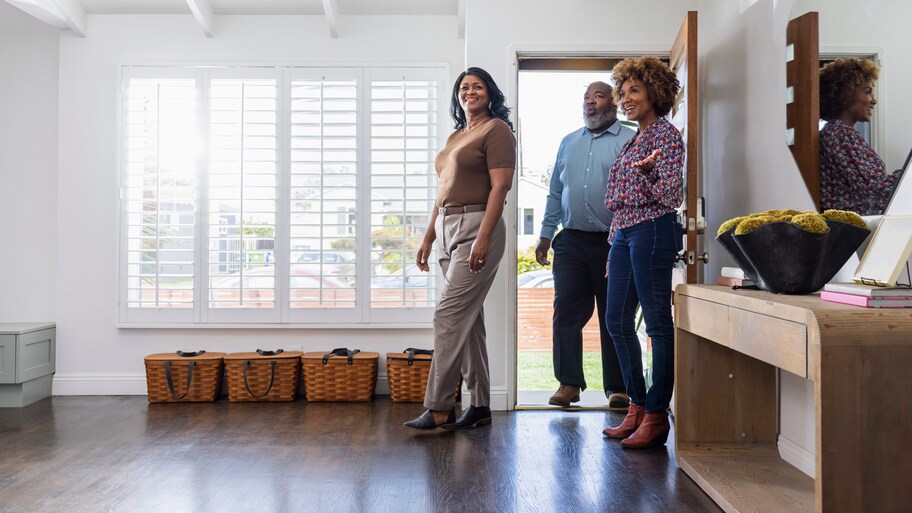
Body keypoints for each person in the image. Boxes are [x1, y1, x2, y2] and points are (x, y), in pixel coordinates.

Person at [404, 67, 516, 430]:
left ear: (490, 92)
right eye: (464, 87)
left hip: (477, 223)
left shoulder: (496, 130)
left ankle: (439, 407)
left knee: (447, 316)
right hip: (448, 226)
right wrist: (428, 235)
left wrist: (483, 238)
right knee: (468, 320)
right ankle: (481, 404)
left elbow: (500, 187)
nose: (470, 92)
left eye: (477, 86)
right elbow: (443, 190)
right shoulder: (457, 135)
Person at [601, 57, 684, 449]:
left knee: (656, 324)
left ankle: (655, 415)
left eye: (634, 90)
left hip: (653, 229)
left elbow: (670, 196)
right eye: (623, 91)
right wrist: (613, 244)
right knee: (616, 320)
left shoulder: (666, 136)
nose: (626, 98)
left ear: (656, 91)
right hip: (624, 232)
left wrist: (651, 173)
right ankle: (635, 407)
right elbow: (621, 202)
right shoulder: (634, 139)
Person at [536, 81, 634, 409]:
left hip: (615, 241)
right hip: (571, 241)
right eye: (586, 97)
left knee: (614, 314)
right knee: (566, 310)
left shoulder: (630, 140)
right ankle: (569, 383)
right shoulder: (567, 143)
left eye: (598, 95)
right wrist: (546, 235)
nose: (590, 101)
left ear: (614, 103)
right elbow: (554, 192)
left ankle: (618, 387)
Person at [819, 58, 900, 215]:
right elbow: (879, 192)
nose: (874, 101)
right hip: (851, 233)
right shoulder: (842, 134)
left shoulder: (833, 133)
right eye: (868, 91)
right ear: (845, 94)